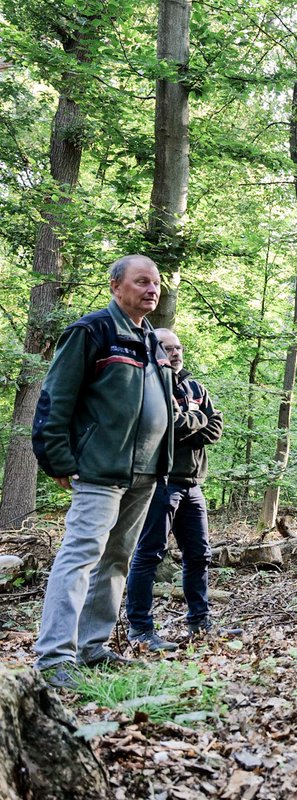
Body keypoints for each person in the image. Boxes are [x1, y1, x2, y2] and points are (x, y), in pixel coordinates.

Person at [31, 255, 174, 689]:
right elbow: (55, 398)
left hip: (145, 472)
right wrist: (57, 458)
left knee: (115, 559)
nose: (152, 289)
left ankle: (92, 648)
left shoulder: (151, 339)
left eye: (156, 284)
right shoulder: (91, 331)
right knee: (79, 557)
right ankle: (54, 657)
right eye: (141, 281)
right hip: (100, 469)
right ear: (116, 286)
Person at [124, 328, 235, 651]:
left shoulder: (195, 386)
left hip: (192, 484)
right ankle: (141, 629)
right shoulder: (148, 382)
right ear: (155, 350)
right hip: (160, 481)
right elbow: (163, 427)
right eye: (167, 348)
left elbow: (215, 428)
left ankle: (199, 622)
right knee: (150, 554)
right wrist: (194, 420)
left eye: (178, 347)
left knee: (199, 554)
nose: (175, 353)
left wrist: (190, 419)